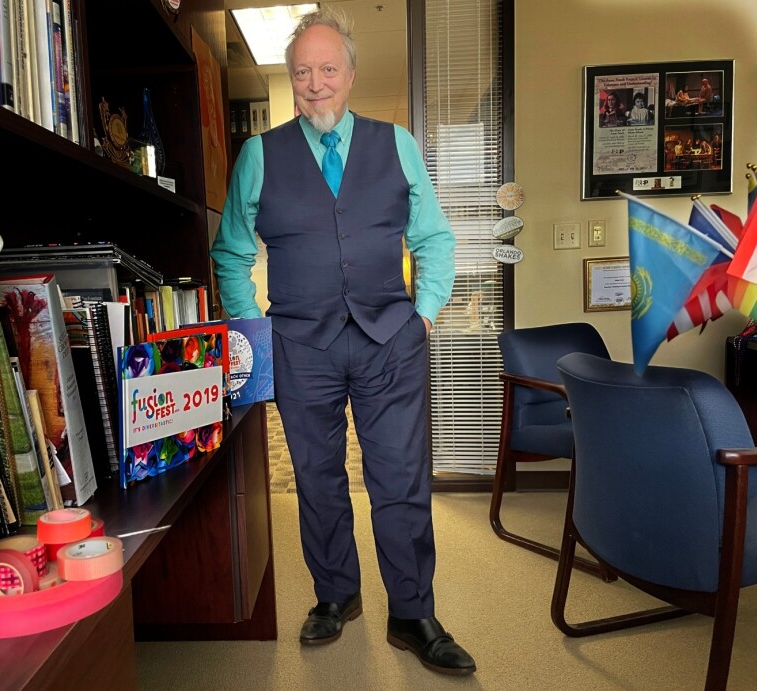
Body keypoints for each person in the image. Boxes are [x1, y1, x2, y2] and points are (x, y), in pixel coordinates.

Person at [210, 7, 475, 677]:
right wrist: (258, 339)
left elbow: (434, 237)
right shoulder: (258, 155)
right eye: (302, 72)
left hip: (391, 339)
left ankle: (413, 611)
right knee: (318, 478)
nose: (315, 83)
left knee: (400, 480)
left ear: (350, 74)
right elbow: (232, 253)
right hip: (301, 345)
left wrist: (426, 313)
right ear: (292, 80)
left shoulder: (397, 144)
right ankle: (337, 593)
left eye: (328, 69)